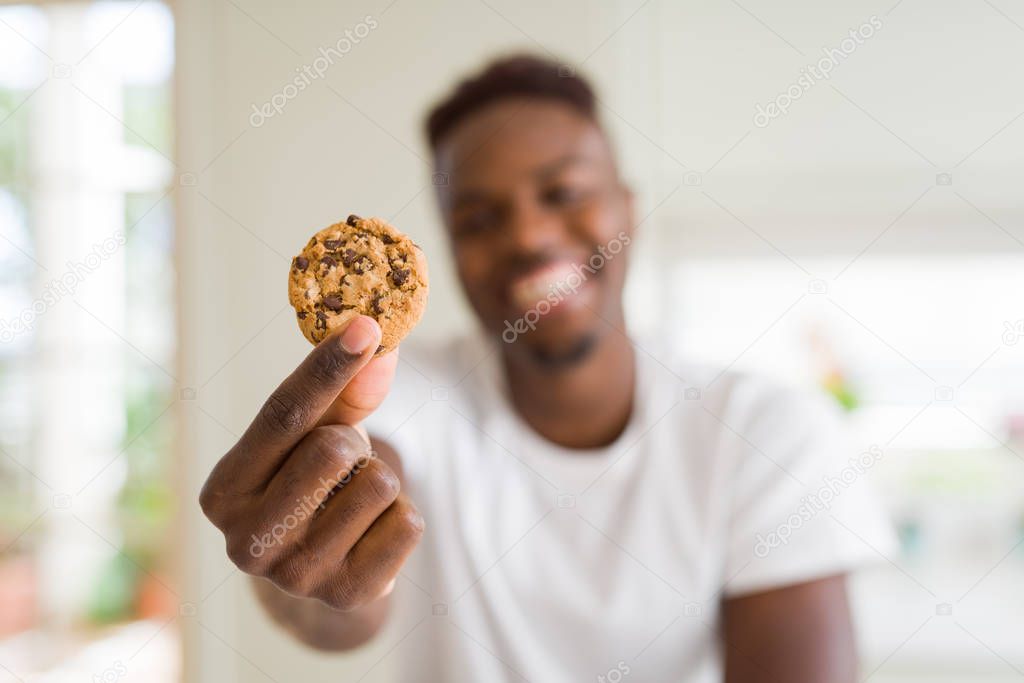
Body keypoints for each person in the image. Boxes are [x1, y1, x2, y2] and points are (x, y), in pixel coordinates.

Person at [199, 55, 893, 682]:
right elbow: (347, 567)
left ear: (629, 208)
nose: (528, 235)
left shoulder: (768, 432)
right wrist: (307, 553)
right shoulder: (411, 395)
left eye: (563, 193)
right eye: (477, 218)